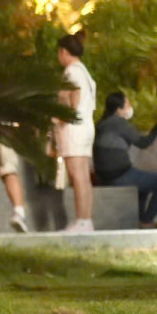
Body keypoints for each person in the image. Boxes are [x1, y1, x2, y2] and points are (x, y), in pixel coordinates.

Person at [95, 91, 157, 228]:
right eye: (128, 104)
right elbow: (144, 143)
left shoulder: (102, 124)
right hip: (120, 175)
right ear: (119, 109)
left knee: (145, 185)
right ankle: (147, 221)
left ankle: (141, 220)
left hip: (104, 175)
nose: (130, 107)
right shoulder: (118, 123)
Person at [56, 32, 97, 231]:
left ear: (64, 52)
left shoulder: (71, 72)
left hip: (73, 128)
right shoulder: (85, 73)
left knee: (76, 174)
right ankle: (86, 219)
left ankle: (82, 220)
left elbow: (70, 102)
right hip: (87, 126)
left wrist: (59, 117)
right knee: (83, 174)